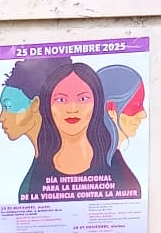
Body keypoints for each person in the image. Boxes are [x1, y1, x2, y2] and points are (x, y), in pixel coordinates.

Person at [18, 60, 141, 200]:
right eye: (61, 100)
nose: (72, 109)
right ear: (47, 106)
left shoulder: (114, 163)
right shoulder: (38, 169)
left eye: (83, 99)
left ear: (97, 103)